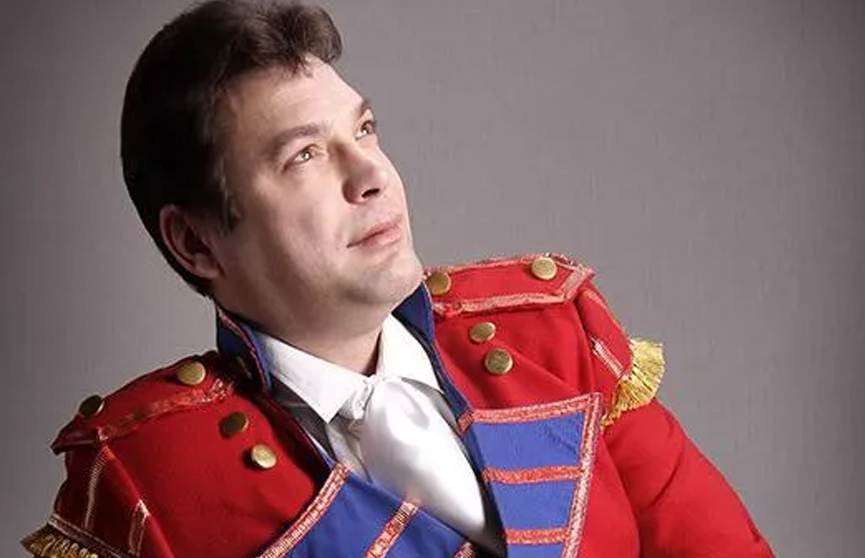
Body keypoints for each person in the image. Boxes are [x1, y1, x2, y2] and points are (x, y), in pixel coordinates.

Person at [22, 1, 775, 557]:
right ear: (196, 242)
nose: (372, 175)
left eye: (364, 130)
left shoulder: (554, 333)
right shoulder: (148, 483)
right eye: (304, 156)